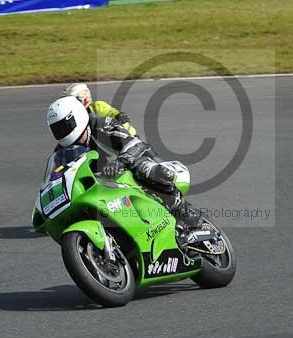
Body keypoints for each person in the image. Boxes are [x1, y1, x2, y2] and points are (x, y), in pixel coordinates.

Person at [46, 95, 201, 228]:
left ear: (77, 117)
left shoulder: (101, 124)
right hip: (103, 183)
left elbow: (133, 143)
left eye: (65, 126)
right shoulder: (61, 151)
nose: (63, 132)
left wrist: (120, 162)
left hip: (132, 162)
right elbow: (55, 177)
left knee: (144, 169)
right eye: (57, 129)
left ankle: (183, 210)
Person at [64, 82, 136, 136]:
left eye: (73, 101)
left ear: (84, 98)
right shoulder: (73, 116)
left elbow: (110, 112)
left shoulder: (97, 106)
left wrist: (118, 115)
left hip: (126, 137)